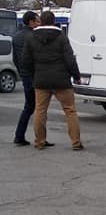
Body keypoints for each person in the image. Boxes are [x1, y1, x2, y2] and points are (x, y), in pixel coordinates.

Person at [22, 10, 84, 151]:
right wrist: (76, 76)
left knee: (40, 110)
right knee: (70, 111)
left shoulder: (31, 38)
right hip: (61, 80)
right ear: (54, 20)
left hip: (41, 80)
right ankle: (76, 142)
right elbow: (69, 59)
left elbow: (25, 61)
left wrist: (35, 73)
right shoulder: (61, 37)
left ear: (41, 21)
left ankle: (39, 142)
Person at [12, 10, 41, 146]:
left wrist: (21, 72)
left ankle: (20, 135)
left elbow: (15, 59)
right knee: (39, 107)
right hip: (35, 75)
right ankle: (39, 138)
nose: (39, 23)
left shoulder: (16, 36)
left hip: (25, 75)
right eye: (37, 21)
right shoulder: (34, 36)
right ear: (31, 22)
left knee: (30, 106)